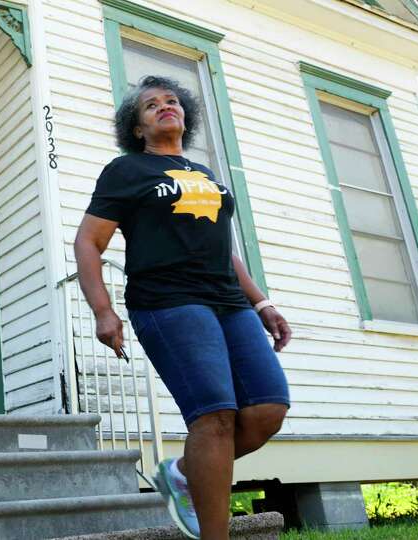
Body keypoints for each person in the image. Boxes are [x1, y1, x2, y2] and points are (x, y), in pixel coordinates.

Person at [74, 75, 292, 540]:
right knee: (215, 415)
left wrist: (262, 302)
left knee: (268, 409)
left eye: (171, 101)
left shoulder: (206, 175)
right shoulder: (126, 171)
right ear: (137, 128)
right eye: (150, 105)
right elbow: (89, 241)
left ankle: (183, 474)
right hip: (168, 300)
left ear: (185, 115)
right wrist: (102, 309)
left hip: (228, 301)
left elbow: (224, 251)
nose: (164, 107)